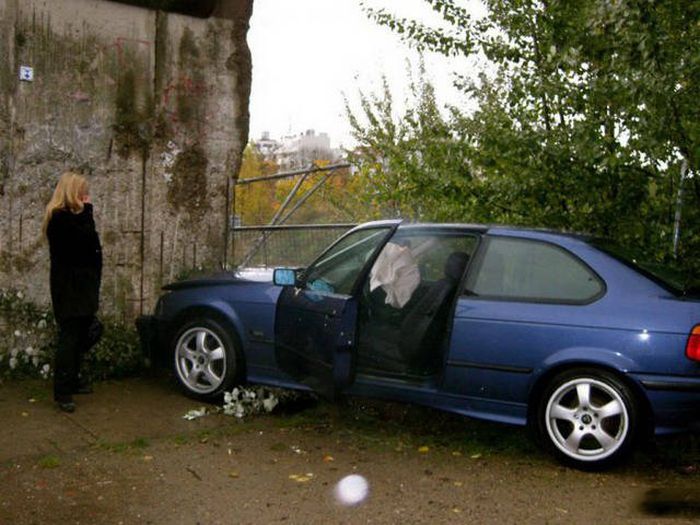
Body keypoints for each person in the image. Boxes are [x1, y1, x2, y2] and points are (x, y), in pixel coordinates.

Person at [43, 172, 102, 412]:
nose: (86, 197)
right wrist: (87, 212)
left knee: (86, 331)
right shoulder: (60, 219)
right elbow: (81, 243)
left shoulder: (73, 219)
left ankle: (74, 379)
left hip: (84, 286)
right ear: (71, 193)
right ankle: (63, 391)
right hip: (70, 287)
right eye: (82, 193)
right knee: (70, 337)